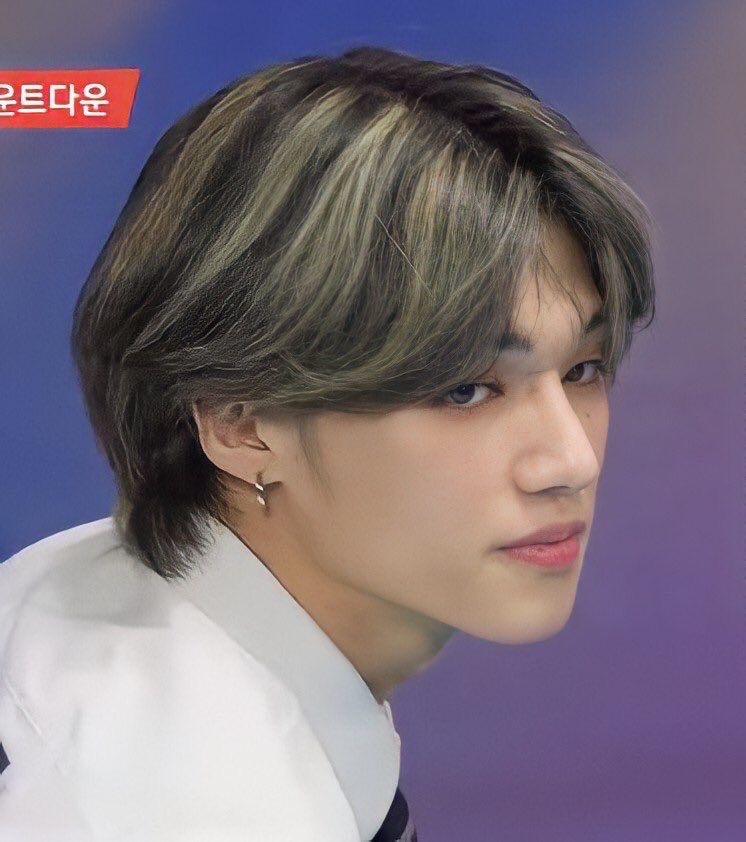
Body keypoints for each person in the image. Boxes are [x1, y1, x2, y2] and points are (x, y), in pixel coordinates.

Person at [0, 44, 655, 841]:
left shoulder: (99, 602)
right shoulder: (177, 809)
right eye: (465, 389)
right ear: (239, 422)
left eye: (583, 369)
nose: (571, 462)